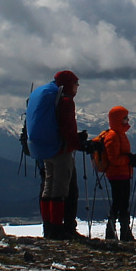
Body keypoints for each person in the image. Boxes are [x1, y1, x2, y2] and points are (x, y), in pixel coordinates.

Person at [28, 70, 84, 240]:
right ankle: (58, 229)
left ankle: (49, 227)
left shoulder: (48, 95)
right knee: (61, 189)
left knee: (48, 187)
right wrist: (78, 143)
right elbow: (67, 127)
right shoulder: (65, 101)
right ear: (68, 84)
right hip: (60, 150)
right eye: (76, 84)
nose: (77, 88)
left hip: (44, 149)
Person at [98, 106, 136, 241]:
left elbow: (122, 156)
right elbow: (114, 159)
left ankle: (117, 233)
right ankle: (120, 234)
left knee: (121, 203)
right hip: (117, 175)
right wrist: (132, 160)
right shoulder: (113, 136)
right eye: (125, 117)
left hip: (122, 173)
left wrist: (134, 161)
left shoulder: (119, 134)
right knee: (120, 204)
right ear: (118, 119)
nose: (128, 120)